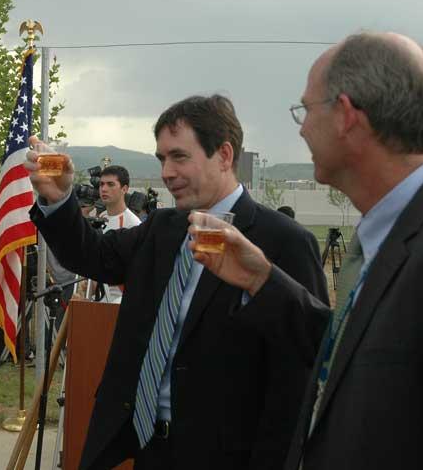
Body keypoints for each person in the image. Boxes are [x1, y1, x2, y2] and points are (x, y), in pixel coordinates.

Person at [195, 32, 423, 470]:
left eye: (306, 109)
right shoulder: (395, 233)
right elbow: (354, 353)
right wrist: (260, 279)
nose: (302, 126)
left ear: (345, 115)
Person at [25, 94, 329, 469]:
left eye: (179, 156)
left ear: (224, 155)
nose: (167, 172)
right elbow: (91, 255)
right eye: (162, 159)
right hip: (147, 445)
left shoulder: (283, 241)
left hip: (224, 456)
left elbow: (298, 369)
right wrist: (58, 200)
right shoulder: (162, 228)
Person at [95, 165, 141, 303]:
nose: (104, 189)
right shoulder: (101, 217)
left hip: (118, 302)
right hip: (96, 300)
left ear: (124, 189)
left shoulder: (132, 224)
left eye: (110, 184)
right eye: (101, 184)